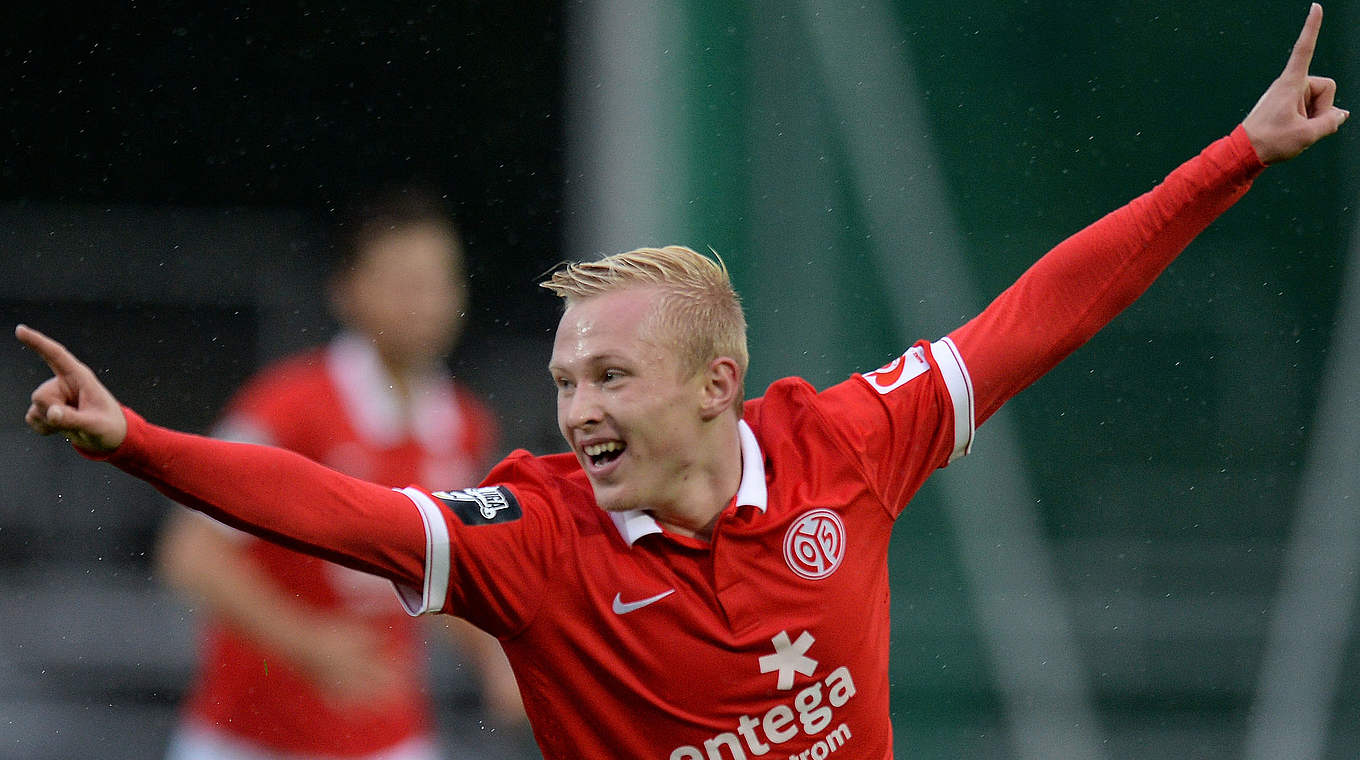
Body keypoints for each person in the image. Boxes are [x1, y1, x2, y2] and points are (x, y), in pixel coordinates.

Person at [17, 6, 1346, 759]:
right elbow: (323, 510)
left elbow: (1045, 309)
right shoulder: (534, 533)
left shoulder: (849, 441)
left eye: (610, 374)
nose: (577, 406)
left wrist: (1234, 156)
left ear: (720, 383)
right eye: (563, 378)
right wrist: (134, 437)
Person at [152, 186, 527, 760]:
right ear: (348, 291)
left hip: (387, 737)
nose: (427, 302)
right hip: (248, 739)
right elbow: (190, 555)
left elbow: (447, 574)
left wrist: (501, 661)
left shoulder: (464, 425)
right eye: (405, 283)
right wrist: (307, 642)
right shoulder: (285, 407)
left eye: (441, 281)